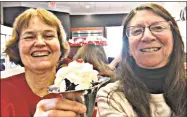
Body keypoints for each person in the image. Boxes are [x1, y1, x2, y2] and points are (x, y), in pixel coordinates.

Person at [96, 3, 186, 117]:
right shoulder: (111, 96)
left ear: (174, 38)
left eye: (158, 27)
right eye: (137, 31)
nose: (147, 36)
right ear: (127, 47)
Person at [0, 8, 86, 117]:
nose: (40, 43)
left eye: (49, 36)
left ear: (60, 45)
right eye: (29, 37)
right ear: (16, 47)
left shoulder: (79, 89)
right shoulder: (3, 91)